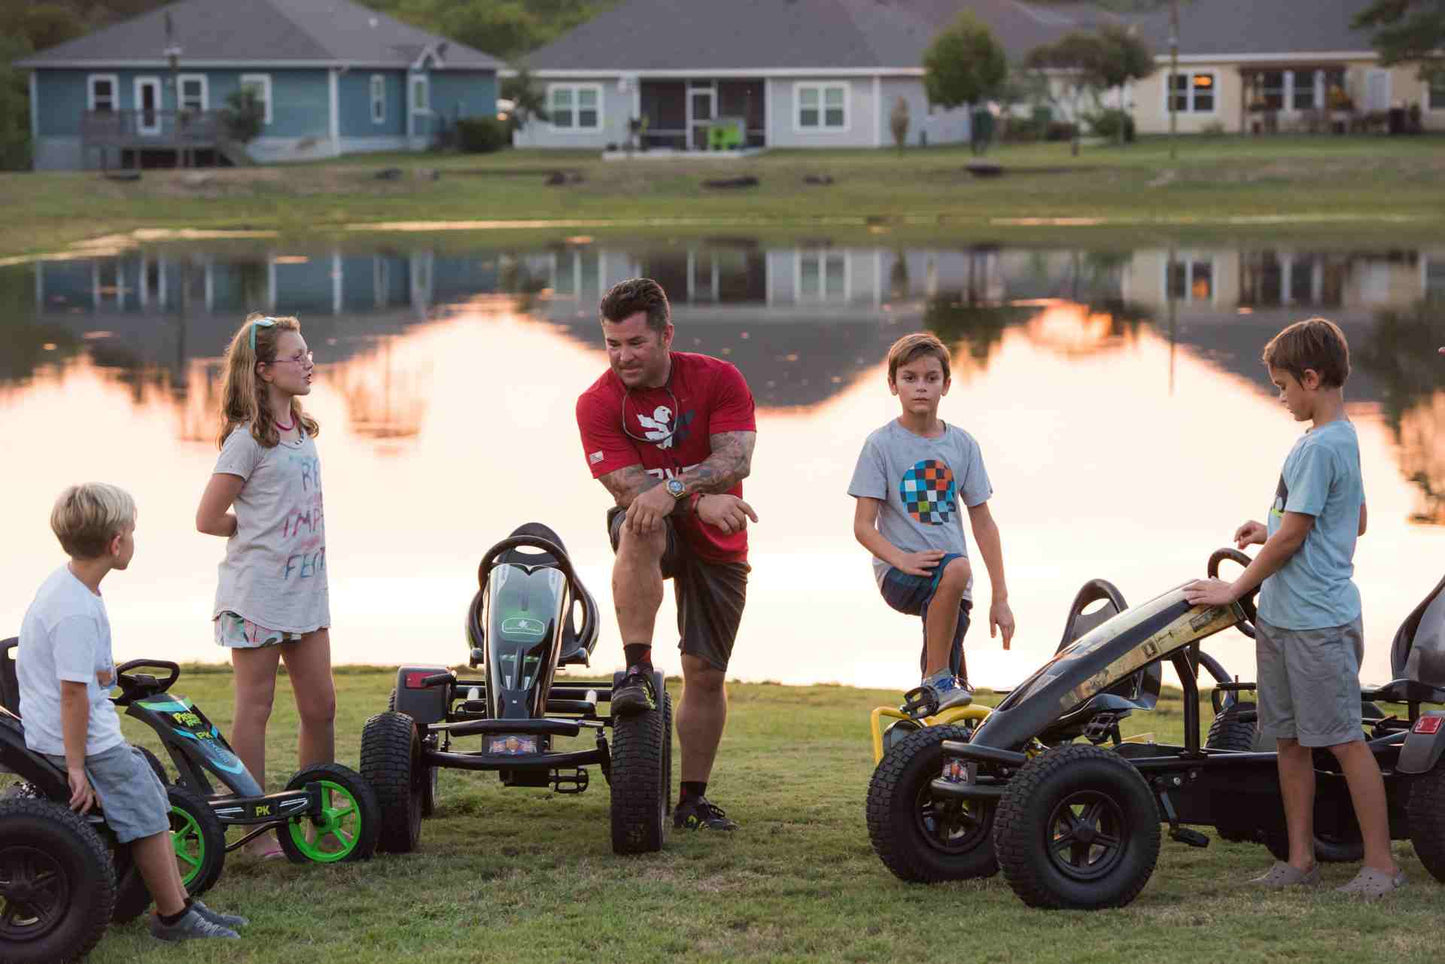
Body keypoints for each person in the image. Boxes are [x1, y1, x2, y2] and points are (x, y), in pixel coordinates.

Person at [1184, 317, 1403, 899]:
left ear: (1311, 378)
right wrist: (1272, 523)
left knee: (1345, 740)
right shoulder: (1342, 438)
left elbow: (1296, 538)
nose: (1279, 396)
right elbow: (1352, 518)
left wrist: (1235, 588)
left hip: (1317, 622)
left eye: (1282, 385)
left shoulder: (1322, 445)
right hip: (1285, 617)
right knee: (1287, 739)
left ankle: (1381, 865)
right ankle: (1299, 857)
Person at [19, 483, 246, 940]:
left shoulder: (71, 586)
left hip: (79, 731)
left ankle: (180, 903)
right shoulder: (75, 611)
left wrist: (106, 678)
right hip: (83, 741)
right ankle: (173, 918)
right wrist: (77, 767)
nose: (134, 541)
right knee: (147, 812)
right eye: (132, 533)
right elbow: (72, 695)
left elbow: (84, 677)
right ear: (116, 544)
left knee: (149, 790)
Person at [576, 278, 758, 831]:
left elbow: (738, 459)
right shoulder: (596, 403)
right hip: (669, 522)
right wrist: (696, 500)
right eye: (612, 343)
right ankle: (635, 669)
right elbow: (629, 489)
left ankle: (691, 800)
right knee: (638, 525)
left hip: (721, 534)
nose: (623, 356)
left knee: (704, 673)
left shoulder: (719, 379)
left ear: (666, 335)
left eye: (635, 343)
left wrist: (679, 492)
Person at [195, 314, 334, 860]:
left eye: (308, 353)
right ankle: (254, 831)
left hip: (307, 594)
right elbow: (208, 518)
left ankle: (313, 814)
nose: (307, 363)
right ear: (263, 370)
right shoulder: (244, 442)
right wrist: (251, 530)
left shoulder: (301, 430)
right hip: (257, 597)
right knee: (256, 708)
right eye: (295, 357)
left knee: (321, 706)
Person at [848, 333, 1014, 712]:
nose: (920, 387)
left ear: (946, 385)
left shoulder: (963, 445)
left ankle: (929, 734)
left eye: (930, 378)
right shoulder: (881, 445)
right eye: (909, 378)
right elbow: (862, 526)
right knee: (956, 569)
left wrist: (1000, 598)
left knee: (956, 690)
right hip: (902, 575)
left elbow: (983, 522)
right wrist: (901, 559)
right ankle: (936, 681)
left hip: (954, 585)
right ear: (893, 385)